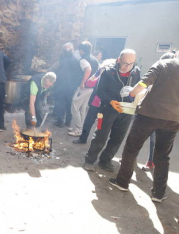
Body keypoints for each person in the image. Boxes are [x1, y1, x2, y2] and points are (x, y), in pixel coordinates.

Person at [109, 51, 179, 203]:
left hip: (148, 115)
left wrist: (132, 94)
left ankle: (122, 182)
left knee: (132, 148)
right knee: (162, 156)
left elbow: (142, 84)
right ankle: (158, 193)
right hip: (173, 119)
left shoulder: (163, 64)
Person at [84, 49, 141, 172]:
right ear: (119, 60)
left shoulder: (136, 72)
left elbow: (138, 89)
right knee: (100, 135)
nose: (127, 67)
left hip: (126, 110)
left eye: (131, 64)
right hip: (108, 109)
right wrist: (110, 101)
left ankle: (106, 160)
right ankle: (90, 159)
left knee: (118, 137)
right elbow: (100, 91)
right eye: (125, 63)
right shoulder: (108, 72)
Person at [73, 59, 116, 144]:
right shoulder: (116, 75)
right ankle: (96, 142)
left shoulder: (101, 71)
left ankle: (84, 139)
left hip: (98, 102)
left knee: (89, 121)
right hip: (109, 103)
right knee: (101, 124)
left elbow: (89, 83)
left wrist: (98, 74)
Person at [68, 41, 100, 137]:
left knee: (74, 105)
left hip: (84, 87)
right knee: (82, 107)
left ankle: (78, 129)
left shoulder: (83, 60)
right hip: (91, 87)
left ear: (81, 50)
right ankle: (80, 127)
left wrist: (83, 83)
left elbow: (88, 69)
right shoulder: (94, 59)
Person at [51, 43, 82, 128]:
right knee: (69, 104)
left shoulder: (61, 61)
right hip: (71, 87)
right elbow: (79, 74)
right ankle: (68, 121)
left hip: (60, 86)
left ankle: (60, 121)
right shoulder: (77, 61)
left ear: (63, 51)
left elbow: (51, 69)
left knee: (60, 103)